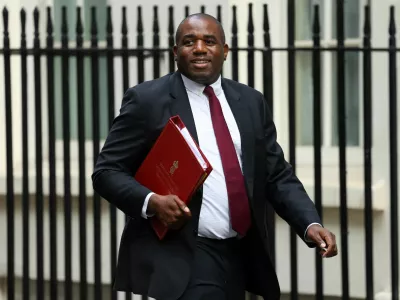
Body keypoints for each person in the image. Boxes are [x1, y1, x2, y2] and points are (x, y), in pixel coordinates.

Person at [92, 13, 338, 300]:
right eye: (188, 42)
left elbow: (276, 174)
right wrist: (153, 202)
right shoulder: (147, 100)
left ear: (225, 51)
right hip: (186, 252)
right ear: (175, 52)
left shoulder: (249, 102)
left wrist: (310, 224)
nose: (199, 48)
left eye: (209, 41)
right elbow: (106, 172)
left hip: (239, 253)